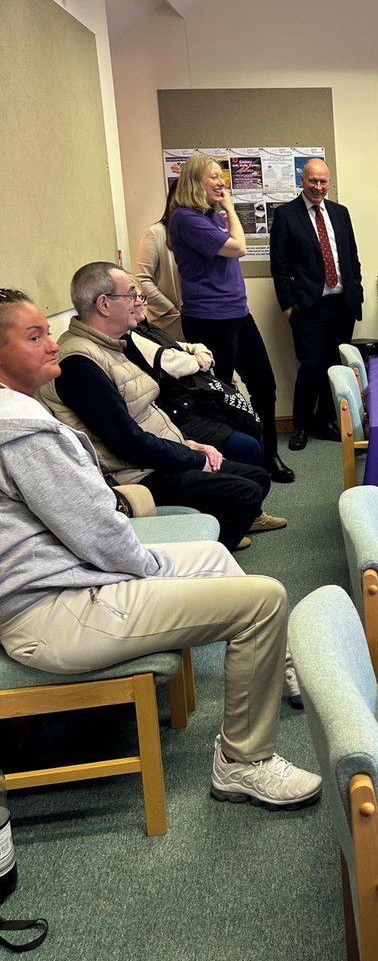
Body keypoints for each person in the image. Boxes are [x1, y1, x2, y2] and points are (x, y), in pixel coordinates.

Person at [0, 288, 320, 809]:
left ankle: (278, 665)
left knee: (214, 554)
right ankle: (244, 763)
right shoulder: (20, 431)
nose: (51, 344)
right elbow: (97, 532)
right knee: (263, 601)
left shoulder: (21, 413)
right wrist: (152, 567)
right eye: (34, 336)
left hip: (70, 583)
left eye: (47, 331)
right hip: (51, 613)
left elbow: (87, 525)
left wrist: (149, 562)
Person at [39, 262, 283, 554]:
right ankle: (195, 560)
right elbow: (127, 442)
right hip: (137, 475)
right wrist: (191, 456)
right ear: (104, 304)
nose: (139, 302)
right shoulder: (80, 363)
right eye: (131, 294)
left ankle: (213, 535)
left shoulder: (115, 343)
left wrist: (187, 443)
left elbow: (145, 414)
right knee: (246, 493)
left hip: (157, 455)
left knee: (256, 477)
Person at [167, 154, 293, 483]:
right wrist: (233, 211)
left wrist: (223, 213)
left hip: (237, 312)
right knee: (218, 397)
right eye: (213, 177)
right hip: (209, 319)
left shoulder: (209, 216)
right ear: (195, 181)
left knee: (263, 383)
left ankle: (268, 455)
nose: (221, 183)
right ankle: (232, 467)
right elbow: (238, 247)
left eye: (221, 176)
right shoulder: (184, 218)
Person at [270, 158, 364, 451]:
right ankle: (301, 426)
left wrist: (356, 291)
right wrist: (287, 306)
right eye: (313, 181)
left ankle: (325, 422)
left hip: (341, 304)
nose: (319, 187)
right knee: (310, 366)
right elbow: (279, 265)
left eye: (324, 181)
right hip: (308, 306)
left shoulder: (340, 212)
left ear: (329, 182)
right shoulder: (287, 215)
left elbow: (351, 256)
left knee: (334, 366)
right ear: (303, 180)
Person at [127, 302, 265, 468]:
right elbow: (171, 363)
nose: (143, 302)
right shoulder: (130, 337)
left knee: (251, 425)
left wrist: (200, 350)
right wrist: (199, 361)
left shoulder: (145, 327)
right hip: (177, 410)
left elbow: (181, 347)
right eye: (133, 296)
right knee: (249, 447)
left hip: (190, 398)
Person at [134, 184, 183, 341]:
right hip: (173, 322)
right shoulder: (155, 233)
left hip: (201, 318)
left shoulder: (202, 234)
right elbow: (141, 279)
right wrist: (168, 308)